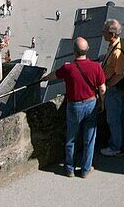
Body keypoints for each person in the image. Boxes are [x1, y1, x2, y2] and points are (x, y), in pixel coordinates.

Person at [45, 38, 106, 178]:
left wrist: (44, 77)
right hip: (91, 103)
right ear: (87, 49)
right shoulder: (96, 67)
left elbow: (53, 75)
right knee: (89, 139)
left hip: (74, 106)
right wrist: (102, 103)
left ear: (74, 51)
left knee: (71, 138)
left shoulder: (68, 68)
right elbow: (102, 89)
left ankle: (70, 169)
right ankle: (85, 170)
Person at [100, 18, 124, 157]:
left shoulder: (117, 51)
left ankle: (115, 147)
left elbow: (119, 74)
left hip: (114, 86)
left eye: (105, 31)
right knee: (120, 114)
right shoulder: (121, 42)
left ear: (112, 34)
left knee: (113, 118)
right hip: (117, 87)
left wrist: (107, 86)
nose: (102, 33)